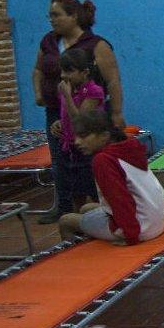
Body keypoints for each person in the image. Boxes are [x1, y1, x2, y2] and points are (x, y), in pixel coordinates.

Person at [32, 0, 126, 224]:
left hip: (87, 115)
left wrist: (116, 113)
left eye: (56, 15)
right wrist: (39, 94)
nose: (51, 20)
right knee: (61, 160)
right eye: (50, 16)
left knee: (88, 162)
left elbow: (112, 81)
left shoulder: (95, 44)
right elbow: (38, 70)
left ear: (73, 16)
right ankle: (64, 207)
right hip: (58, 112)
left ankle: (99, 205)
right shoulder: (49, 42)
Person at [58, 109, 164, 245]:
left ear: (104, 136)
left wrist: (130, 236)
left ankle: (79, 261)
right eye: (76, 136)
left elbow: (119, 199)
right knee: (86, 208)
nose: (77, 142)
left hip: (139, 230)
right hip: (155, 222)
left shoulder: (103, 160)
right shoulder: (129, 147)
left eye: (83, 136)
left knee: (66, 221)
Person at [49, 48, 105, 211]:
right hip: (70, 148)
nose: (64, 75)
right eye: (62, 71)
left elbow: (80, 121)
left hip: (88, 150)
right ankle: (79, 226)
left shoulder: (93, 91)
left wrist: (66, 96)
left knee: (92, 190)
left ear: (85, 72)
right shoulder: (68, 90)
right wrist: (59, 123)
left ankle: (100, 220)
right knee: (75, 190)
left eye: (69, 71)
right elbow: (67, 116)